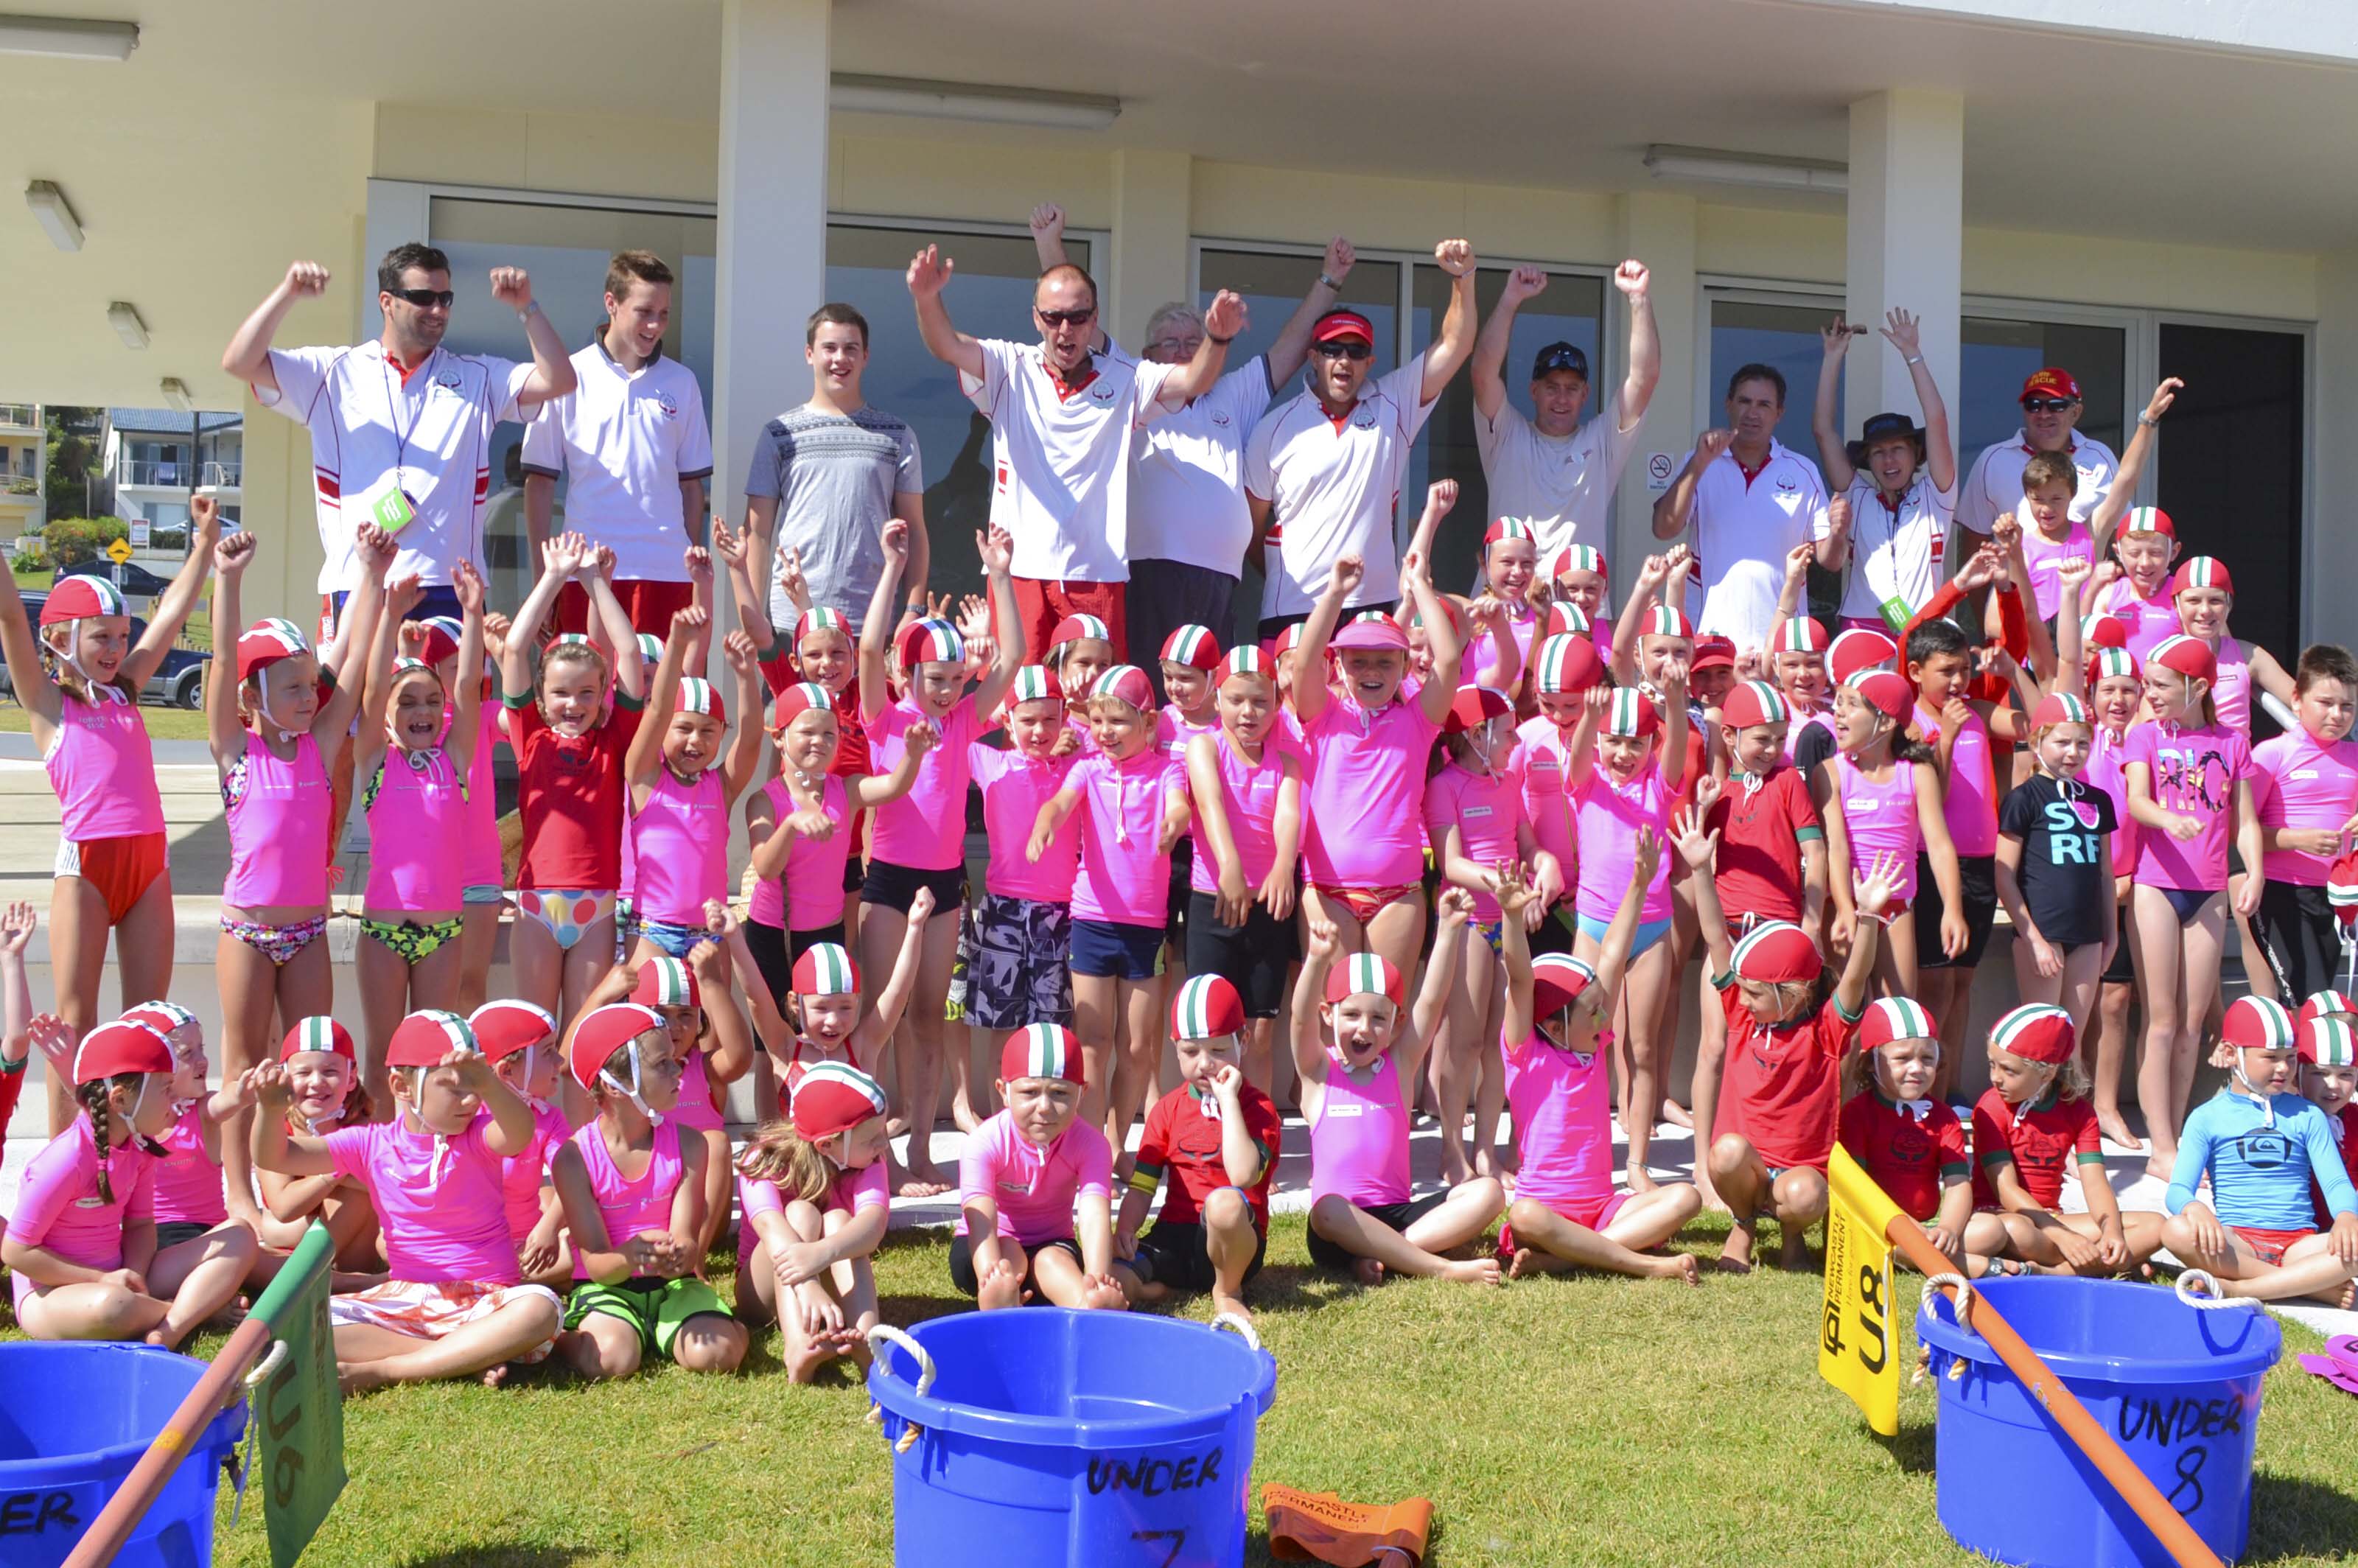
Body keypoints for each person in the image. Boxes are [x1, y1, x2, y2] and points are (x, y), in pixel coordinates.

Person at [1032, 206, 1360, 687]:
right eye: (1173, 343)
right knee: (1147, 691)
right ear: (1149, 356)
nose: (1187, 351)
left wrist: (1329, 281)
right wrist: (1049, 245)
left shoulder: (1231, 392)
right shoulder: (1132, 383)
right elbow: (1075, 324)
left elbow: (1290, 350)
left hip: (1219, 579)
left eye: (1195, 339)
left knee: (1207, 699)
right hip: (1150, 571)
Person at [908, 243, 1246, 662]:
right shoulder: (1008, 366)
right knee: (1021, 703)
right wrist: (927, 298)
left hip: (1096, 573)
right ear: (1036, 318)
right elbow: (947, 345)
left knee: (1095, 707)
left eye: (1077, 317)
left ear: (1095, 320)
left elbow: (1194, 379)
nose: (1065, 329)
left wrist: (1217, 338)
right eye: (1053, 317)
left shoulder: (1128, 378)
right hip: (1021, 569)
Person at [0, 502, 219, 1133]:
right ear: (60, 640)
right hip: (88, 873)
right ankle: (70, 1157)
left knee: (149, 1021)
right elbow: (12, 613)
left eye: (122, 637)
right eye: (102, 638)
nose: (116, 649)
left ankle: (134, 1153)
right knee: (74, 1024)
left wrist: (203, 547)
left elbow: (171, 619)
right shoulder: (46, 705)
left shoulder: (125, 689)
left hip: (149, 867)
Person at [220, 249, 578, 623]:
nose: (438, 310)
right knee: (352, 686)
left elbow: (559, 380)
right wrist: (287, 293)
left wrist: (526, 306)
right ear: (386, 303)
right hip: (358, 582)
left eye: (446, 299)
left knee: (456, 686)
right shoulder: (332, 373)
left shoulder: (477, 376)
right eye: (424, 298)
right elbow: (239, 361)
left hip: (449, 584)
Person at [210, 523, 386, 1224]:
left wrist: (370, 573)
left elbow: (360, 660)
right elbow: (222, 664)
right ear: (254, 697)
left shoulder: (319, 744)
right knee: (246, 1061)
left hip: (309, 931)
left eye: (312, 685)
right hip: (247, 933)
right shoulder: (235, 753)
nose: (311, 697)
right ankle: (238, 1198)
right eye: (292, 688)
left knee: (311, 1057)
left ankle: (296, 1181)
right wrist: (227, 581)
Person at [251, 1010, 564, 1391]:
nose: (470, 1100)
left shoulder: (479, 1136)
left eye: (476, 1087)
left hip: (486, 1299)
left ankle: (389, 1369)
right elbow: (277, 1157)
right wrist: (269, 1110)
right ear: (401, 1086)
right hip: (407, 1299)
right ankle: (463, 1356)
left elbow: (519, 1133)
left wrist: (492, 1086)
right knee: (294, 1326)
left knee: (540, 1308)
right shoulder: (370, 1143)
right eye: (455, 1087)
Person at [855, 522, 1023, 1194]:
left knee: (928, 1018)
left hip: (944, 883)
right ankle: (883, 1156)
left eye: (957, 679)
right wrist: (894, 569)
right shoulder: (885, 718)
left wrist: (1002, 576)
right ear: (908, 674)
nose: (949, 691)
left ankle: (921, 1151)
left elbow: (1010, 660)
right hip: (890, 881)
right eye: (936, 679)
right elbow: (868, 647)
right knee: (880, 1019)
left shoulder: (961, 722)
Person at [1681, 805, 1895, 1273]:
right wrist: (1701, 869)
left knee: (1807, 1195)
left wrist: (1869, 917)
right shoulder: (1741, 1016)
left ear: (1793, 993)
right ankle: (1744, 1224)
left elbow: (1856, 978)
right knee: (1727, 1151)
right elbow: (1717, 938)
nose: (1747, 998)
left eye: (1758, 992)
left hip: (1800, 1174)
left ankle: (1792, 1233)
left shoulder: (1825, 1032)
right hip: (1748, 1169)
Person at [1245, 241, 1480, 637]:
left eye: (1356, 351)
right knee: (1291, 702)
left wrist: (1464, 279)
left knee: (1370, 701)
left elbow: (1455, 345)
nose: (1344, 360)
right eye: (1332, 349)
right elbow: (1248, 534)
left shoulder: (1393, 403)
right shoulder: (1274, 427)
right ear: (1313, 357)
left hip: (1369, 606)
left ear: (1369, 362)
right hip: (1292, 605)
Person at [1497, 842, 1703, 1284]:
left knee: (1686, 1197)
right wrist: (1512, 918)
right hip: (1546, 1211)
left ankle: (1567, 1258)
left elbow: (1611, 953)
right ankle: (1644, 1264)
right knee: (1525, 1215)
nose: (1605, 1017)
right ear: (1553, 1027)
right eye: (1593, 1011)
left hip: (1603, 1209)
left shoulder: (1589, 1046)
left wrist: (1639, 884)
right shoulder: (1525, 1053)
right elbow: (1519, 979)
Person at [499, 534, 650, 1094]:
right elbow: (515, 650)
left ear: (603, 696)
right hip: (537, 906)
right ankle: (530, 1145)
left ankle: (578, 1152)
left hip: (597, 907)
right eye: (562, 693)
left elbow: (629, 655)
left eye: (587, 693)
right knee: (533, 1034)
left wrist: (596, 584)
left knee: (589, 1038)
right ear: (540, 698)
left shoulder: (614, 739)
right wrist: (555, 576)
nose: (574, 704)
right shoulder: (529, 737)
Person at [3, 1018, 256, 1349]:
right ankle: (190, 1312)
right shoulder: (64, 1161)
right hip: (51, 1294)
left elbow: (140, 1226)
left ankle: (166, 1329)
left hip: (118, 1272)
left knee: (240, 1235)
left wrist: (134, 1276)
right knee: (111, 1307)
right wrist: (103, 1280)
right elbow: (16, 1251)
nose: (174, 1100)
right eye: (165, 1089)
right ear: (120, 1101)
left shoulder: (139, 1147)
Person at [1296, 890, 1505, 1286]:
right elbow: (1298, 1022)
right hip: (1339, 1227)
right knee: (1326, 1209)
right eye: (1352, 1014)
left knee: (1489, 1193)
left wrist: (1446, 931)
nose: (1364, 1028)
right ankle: (1439, 1269)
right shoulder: (1317, 1072)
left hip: (1397, 1214)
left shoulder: (1400, 1064)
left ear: (1396, 1024)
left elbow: (1432, 1001)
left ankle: (1388, 1255)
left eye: (1379, 1018)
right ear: (1328, 1014)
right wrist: (1316, 961)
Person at [1025, 665, 1189, 1152]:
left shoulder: (1167, 770)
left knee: (1138, 1046)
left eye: (1117, 722)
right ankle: (1093, 1146)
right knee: (1093, 1041)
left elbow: (1179, 804)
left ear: (1149, 724)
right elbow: (1058, 802)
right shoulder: (1088, 768)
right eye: (1097, 722)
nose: (1104, 733)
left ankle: (1118, 1143)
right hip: (1093, 920)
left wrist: (1175, 822)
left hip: (1145, 926)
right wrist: (1045, 823)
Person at [1292, 525, 1463, 987]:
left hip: (1400, 894)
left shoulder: (1417, 720)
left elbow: (1448, 662)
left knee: (1390, 1020)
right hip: (1327, 891)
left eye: (1385, 661)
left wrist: (1421, 586)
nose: (1371, 671)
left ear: (1405, 667)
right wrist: (1333, 594)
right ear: (1341, 665)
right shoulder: (1323, 714)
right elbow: (1304, 666)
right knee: (1334, 1022)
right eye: (1358, 660)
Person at [352, 567, 490, 1110]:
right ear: (386, 715)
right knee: (385, 1053)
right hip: (384, 932)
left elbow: (471, 691)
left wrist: (473, 614)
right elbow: (368, 693)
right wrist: (389, 617)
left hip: (443, 933)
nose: (422, 712)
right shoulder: (376, 763)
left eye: (431, 701)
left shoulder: (453, 762)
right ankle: (378, 1157)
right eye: (407, 702)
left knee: (435, 1053)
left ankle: (430, 1150)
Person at [520, 250, 713, 637]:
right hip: (584, 572)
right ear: (612, 303)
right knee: (587, 696)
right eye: (645, 311)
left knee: (664, 696)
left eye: (664, 313)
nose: (656, 324)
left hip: (665, 573)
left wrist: (692, 572)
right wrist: (543, 582)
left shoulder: (683, 382)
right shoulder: (565, 376)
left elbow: (691, 487)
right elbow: (539, 484)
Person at [549, 1002, 746, 1379]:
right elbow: (597, 1264)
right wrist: (629, 1256)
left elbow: (687, 1241)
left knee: (717, 1356)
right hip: (605, 1286)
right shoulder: (574, 1159)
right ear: (613, 1085)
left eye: (675, 1059)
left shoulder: (690, 1145)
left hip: (674, 1284)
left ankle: (715, 1328)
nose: (680, 1068)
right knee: (612, 1360)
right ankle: (561, 1338)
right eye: (662, 1064)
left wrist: (681, 1254)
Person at [2124, 635, 2261, 1176]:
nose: (2149, 694)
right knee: (2159, 1021)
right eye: (2147, 683)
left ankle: (2178, 1134)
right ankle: (2161, 1145)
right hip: (2157, 885)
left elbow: (2246, 820)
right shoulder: (2144, 737)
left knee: (2190, 1025)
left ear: (2198, 686)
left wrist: (2251, 871)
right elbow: (2137, 800)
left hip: (2208, 890)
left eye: (2160, 685)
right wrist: (2167, 819)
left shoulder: (2232, 743)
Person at [1689, 681, 1827, 1208]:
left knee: (1787, 1050)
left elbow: (1814, 851)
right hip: (1727, 938)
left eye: (1778, 739)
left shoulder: (1789, 781)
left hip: (1780, 941)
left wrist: (1811, 922)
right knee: (1715, 1045)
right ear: (1729, 735)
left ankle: (1782, 1156)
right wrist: (1703, 810)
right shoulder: (1716, 791)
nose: (1772, 750)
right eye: (1760, 740)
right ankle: (1708, 1165)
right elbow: (1699, 855)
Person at [743, 303, 929, 679]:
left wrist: (913, 610)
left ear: (865, 356)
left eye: (850, 348)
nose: (839, 358)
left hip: (869, 621)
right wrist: (753, 615)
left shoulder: (896, 436)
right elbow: (758, 534)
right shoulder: (779, 434)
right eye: (829, 348)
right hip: (792, 622)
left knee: (865, 736)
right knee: (792, 732)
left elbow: (917, 532)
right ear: (810, 354)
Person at [1425, 686, 1558, 1183]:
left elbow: (1526, 843)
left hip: (1507, 918)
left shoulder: (1506, 784)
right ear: (1477, 736)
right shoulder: (1445, 787)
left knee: (1499, 1045)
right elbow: (1453, 863)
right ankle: (1452, 1149)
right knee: (1462, 1043)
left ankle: (1486, 1149)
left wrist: (1541, 863)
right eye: (1506, 734)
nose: (1515, 744)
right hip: (1470, 921)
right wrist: (1506, 890)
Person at [1561, 680, 1687, 1193]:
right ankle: (1586, 1149)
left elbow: (1676, 742)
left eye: (1636, 742)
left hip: (1651, 929)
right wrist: (1590, 720)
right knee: (1583, 1046)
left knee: (1642, 1051)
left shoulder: (1660, 785)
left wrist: (1675, 705)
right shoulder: (1588, 784)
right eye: (1614, 741)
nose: (1623, 752)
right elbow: (1574, 763)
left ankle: (1637, 1162)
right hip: (1593, 927)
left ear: (1651, 748)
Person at [2159, 997, 2357, 1306]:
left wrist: (2347, 1216)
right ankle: (2307, 1285)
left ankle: (2240, 1289)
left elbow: (2335, 1183)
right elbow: (2179, 1190)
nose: (2283, 1068)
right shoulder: (2206, 1117)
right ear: (2230, 1054)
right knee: (2175, 1230)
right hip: (2238, 1243)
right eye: (2271, 1057)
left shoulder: (2307, 1115)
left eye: (2291, 1057)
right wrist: (2194, 1208)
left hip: (2300, 1245)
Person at [1112, 974, 1282, 1321]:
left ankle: (1227, 1289)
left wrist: (1228, 1101)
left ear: (1243, 1041)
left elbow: (1243, 1175)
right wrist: (1126, 1229)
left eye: (1218, 1050)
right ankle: (1160, 1289)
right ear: (1174, 1047)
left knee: (1223, 1203)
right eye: (1191, 1051)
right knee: (1113, 1281)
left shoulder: (1258, 1108)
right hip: (1176, 1238)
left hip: (1235, 1242)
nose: (1204, 1064)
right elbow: (1143, 1187)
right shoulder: (1166, 1109)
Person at [1468, 261, 1659, 565]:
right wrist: (1510, 299)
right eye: (1551, 387)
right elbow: (1482, 371)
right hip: (1506, 602)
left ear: (1585, 394)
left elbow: (1644, 378)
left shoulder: (1602, 442)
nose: (1561, 398)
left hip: (1578, 601)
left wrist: (1638, 300)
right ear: (1534, 391)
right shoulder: (1507, 434)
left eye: (1572, 388)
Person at [1651, 364, 1847, 653]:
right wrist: (1698, 464)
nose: (1753, 413)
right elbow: (1663, 528)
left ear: (1779, 413)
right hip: (1710, 636)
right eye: (1744, 401)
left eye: (1764, 404)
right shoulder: (1700, 462)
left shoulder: (1802, 470)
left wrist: (1839, 533)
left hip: (1783, 639)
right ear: (1729, 404)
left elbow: (1831, 561)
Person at [1965, 1003, 2162, 1278]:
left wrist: (2112, 1232)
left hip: (2053, 1218)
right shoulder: (1991, 1108)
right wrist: (2062, 1236)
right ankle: (2105, 1261)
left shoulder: (2079, 1113)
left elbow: (2095, 1183)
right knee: (2013, 1229)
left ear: (2047, 1073)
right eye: (1992, 1064)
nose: (1995, 1078)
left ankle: (2052, 1271)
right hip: (2004, 1215)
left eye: (2009, 1071)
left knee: (2154, 1224)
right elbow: (2006, 1190)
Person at [1186, 646, 1305, 1093]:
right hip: (1212, 901)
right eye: (1236, 700)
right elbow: (1210, 802)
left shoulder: (1286, 763)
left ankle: (1257, 1131)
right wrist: (1230, 865)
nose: (1248, 712)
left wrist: (1283, 866)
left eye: (1260, 701)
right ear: (1217, 700)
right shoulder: (1205, 746)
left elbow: (1288, 816)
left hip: (1267, 908)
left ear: (1277, 704)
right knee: (1209, 1028)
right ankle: (1208, 1125)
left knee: (1259, 1030)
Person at [735, 1063, 894, 1379]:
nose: (884, 1144)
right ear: (826, 1145)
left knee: (839, 1219)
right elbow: (771, 1228)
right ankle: (798, 1347)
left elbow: (873, 1226)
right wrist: (807, 1283)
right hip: (764, 1291)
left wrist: (823, 1254)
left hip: (826, 1281)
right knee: (800, 1213)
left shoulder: (870, 1162)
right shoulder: (764, 1157)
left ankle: (867, 1340)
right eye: (873, 1137)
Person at [1815, 669, 1965, 1001]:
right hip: (1848, 905)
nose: (1839, 712)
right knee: (1845, 1023)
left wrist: (1952, 909)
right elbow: (1836, 849)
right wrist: (1842, 908)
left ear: (1885, 722)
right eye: (1838, 703)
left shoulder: (1918, 773)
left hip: (1897, 907)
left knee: (1899, 1013)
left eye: (1852, 705)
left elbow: (1940, 847)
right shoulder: (1830, 773)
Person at [954, 1023, 1126, 1311]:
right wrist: (989, 1272)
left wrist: (1098, 1277)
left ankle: (1091, 1305)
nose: (1044, 1107)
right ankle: (999, 1295)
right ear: (1004, 1092)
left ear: (1081, 1093)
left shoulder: (1092, 1144)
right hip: (989, 1243)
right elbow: (981, 1217)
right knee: (1007, 1261)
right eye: (1030, 1092)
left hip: (1054, 1244)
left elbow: (1094, 1212)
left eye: (1060, 1093)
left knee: (1051, 1262)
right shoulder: (984, 1142)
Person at [623, 611, 763, 963]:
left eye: (708, 731)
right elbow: (656, 710)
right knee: (648, 1021)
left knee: (715, 1020)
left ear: (721, 734)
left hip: (710, 935)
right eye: (683, 728)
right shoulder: (643, 778)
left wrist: (746, 677)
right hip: (651, 931)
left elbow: (750, 740)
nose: (695, 741)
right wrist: (677, 642)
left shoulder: (721, 787)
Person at [1811, 310, 1955, 634]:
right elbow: (1823, 430)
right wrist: (1833, 357)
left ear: (1916, 453)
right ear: (1868, 460)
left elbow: (1937, 420)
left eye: (1897, 450)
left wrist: (1912, 355)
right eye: (1878, 452)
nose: (1888, 460)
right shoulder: (1858, 496)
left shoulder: (1937, 495)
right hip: (1862, 627)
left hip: (1923, 629)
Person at [1996, 693, 2119, 1044]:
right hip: (2043, 932)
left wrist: (2110, 938)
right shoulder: (2024, 798)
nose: (2072, 752)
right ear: (2037, 742)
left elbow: (2106, 875)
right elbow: (2003, 874)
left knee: (2072, 1042)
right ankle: (2033, 1102)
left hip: (2088, 934)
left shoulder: (2099, 800)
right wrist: (2033, 938)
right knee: (2041, 1039)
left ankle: (2069, 1101)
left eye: (2082, 743)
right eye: (2062, 741)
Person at [2252, 645, 2358, 1000]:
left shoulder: (2354, 757)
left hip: (2335, 896)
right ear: (2296, 700)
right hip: (2282, 892)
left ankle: (2296, 1056)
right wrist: (2296, 840)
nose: (2338, 715)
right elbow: (2238, 833)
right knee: (2312, 1001)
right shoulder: (2272, 754)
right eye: (2325, 703)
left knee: (2318, 999)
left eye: (2347, 706)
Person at [1838, 997, 1972, 1272]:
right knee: (1904, 1246)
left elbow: (1958, 1184)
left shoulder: (1945, 1117)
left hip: (1929, 1228)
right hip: (1875, 1224)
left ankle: (1934, 1253)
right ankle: (1990, 1267)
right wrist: (1907, 1227)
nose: (1916, 1069)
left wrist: (1948, 1229)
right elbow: (1859, 1191)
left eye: (1927, 1059)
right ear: (1872, 1063)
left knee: (1990, 1230)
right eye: (1902, 1058)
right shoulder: (1857, 1114)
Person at [256, 1017, 381, 1273]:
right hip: (290, 1242)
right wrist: (335, 1170)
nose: (316, 1082)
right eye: (303, 1072)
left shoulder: (362, 1128)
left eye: (330, 1072)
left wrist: (333, 1175)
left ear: (351, 1078)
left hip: (347, 1251)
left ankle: (332, 1279)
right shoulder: (277, 1129)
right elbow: (284, 1209)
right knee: (241, 1244)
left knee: (359, 1198)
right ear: (285, 1078)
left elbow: (385, 1186)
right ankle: (319, 1278)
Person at [1954, 367, 2120, 545]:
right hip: (2011, 573)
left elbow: (2120, 534)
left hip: (2084, 572)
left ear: (2076, 412)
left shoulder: (2100, 458)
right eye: (2033, 405)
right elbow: (1974, 542)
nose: (2044, 414)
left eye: (2056, 405)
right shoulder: (1992, 460)